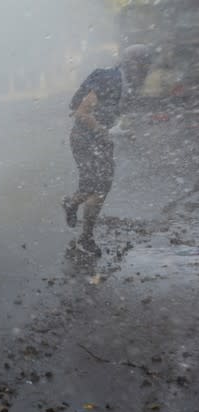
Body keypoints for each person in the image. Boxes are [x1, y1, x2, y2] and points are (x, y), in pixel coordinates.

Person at [62, 44, 152, 256]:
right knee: (96, 187)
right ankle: (85, 236)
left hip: (100, 141)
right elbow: (82, 112)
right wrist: (103, 131)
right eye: (144, 65)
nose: (146, 71)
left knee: (99, 188)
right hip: (85, 139)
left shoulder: (127, 83)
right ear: (133, 64)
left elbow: (112, 112)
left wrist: (121, 130)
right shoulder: (110, 78)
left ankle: (74, 211)